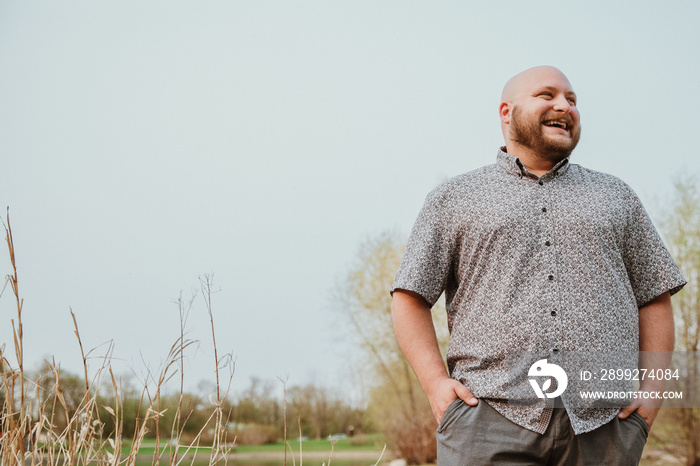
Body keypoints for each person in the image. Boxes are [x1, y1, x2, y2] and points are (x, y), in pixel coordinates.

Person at [390, 65, 686, 465]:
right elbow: (410, 296)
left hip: (606, 428)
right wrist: (435, 386)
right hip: (486, 418)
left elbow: (654, 295)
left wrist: (651, 396)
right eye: (547, 95)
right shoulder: (453, 198)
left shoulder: (617, 196)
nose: (564, 106)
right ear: (506, 112)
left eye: (572, 99)